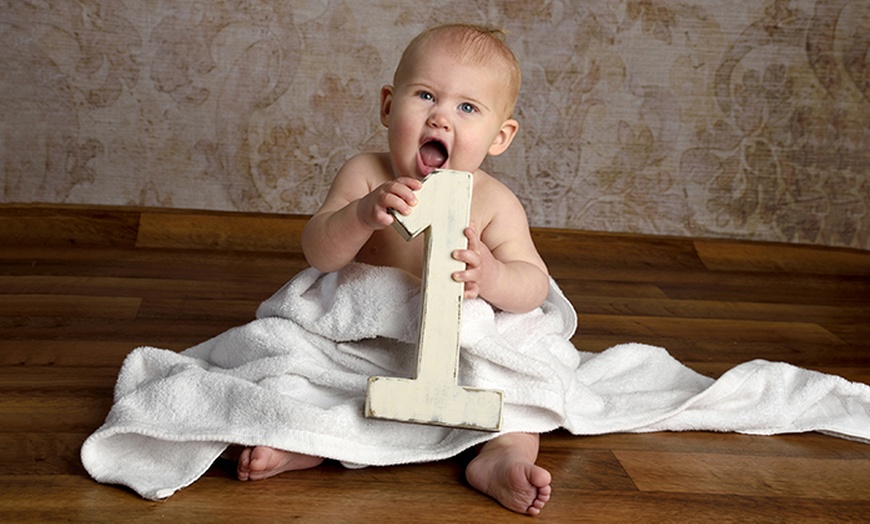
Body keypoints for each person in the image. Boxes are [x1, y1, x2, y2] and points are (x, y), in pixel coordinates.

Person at [235, 24, 553, 516]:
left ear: (500, 136)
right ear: (388, 105)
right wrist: (359, 215)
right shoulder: (366, 173)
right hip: (367, 343)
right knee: (296, 368)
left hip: (453, 355)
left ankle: (501, 455)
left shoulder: (495, 203)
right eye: (426, 95)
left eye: (467, 108)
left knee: (523, 384)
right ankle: (306, 438)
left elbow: (532, 285)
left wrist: (491, 276)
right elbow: (320, 253)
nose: (441, 118)